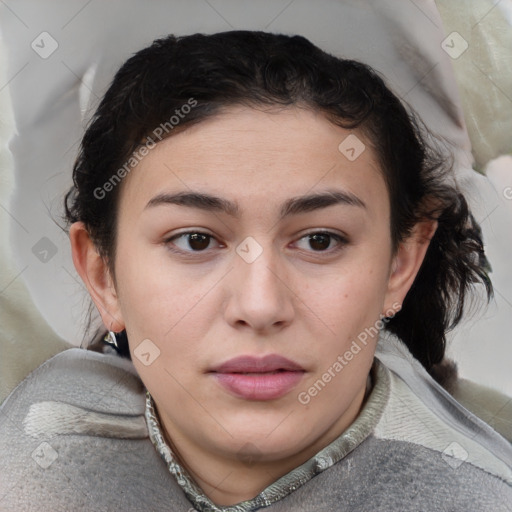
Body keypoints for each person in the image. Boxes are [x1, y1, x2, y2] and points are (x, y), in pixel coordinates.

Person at [0, 30, 510, 511]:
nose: (260, 305)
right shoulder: (33, 448)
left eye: (319, 240)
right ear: (103, 274)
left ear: (400, 264)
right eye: (195, 240)